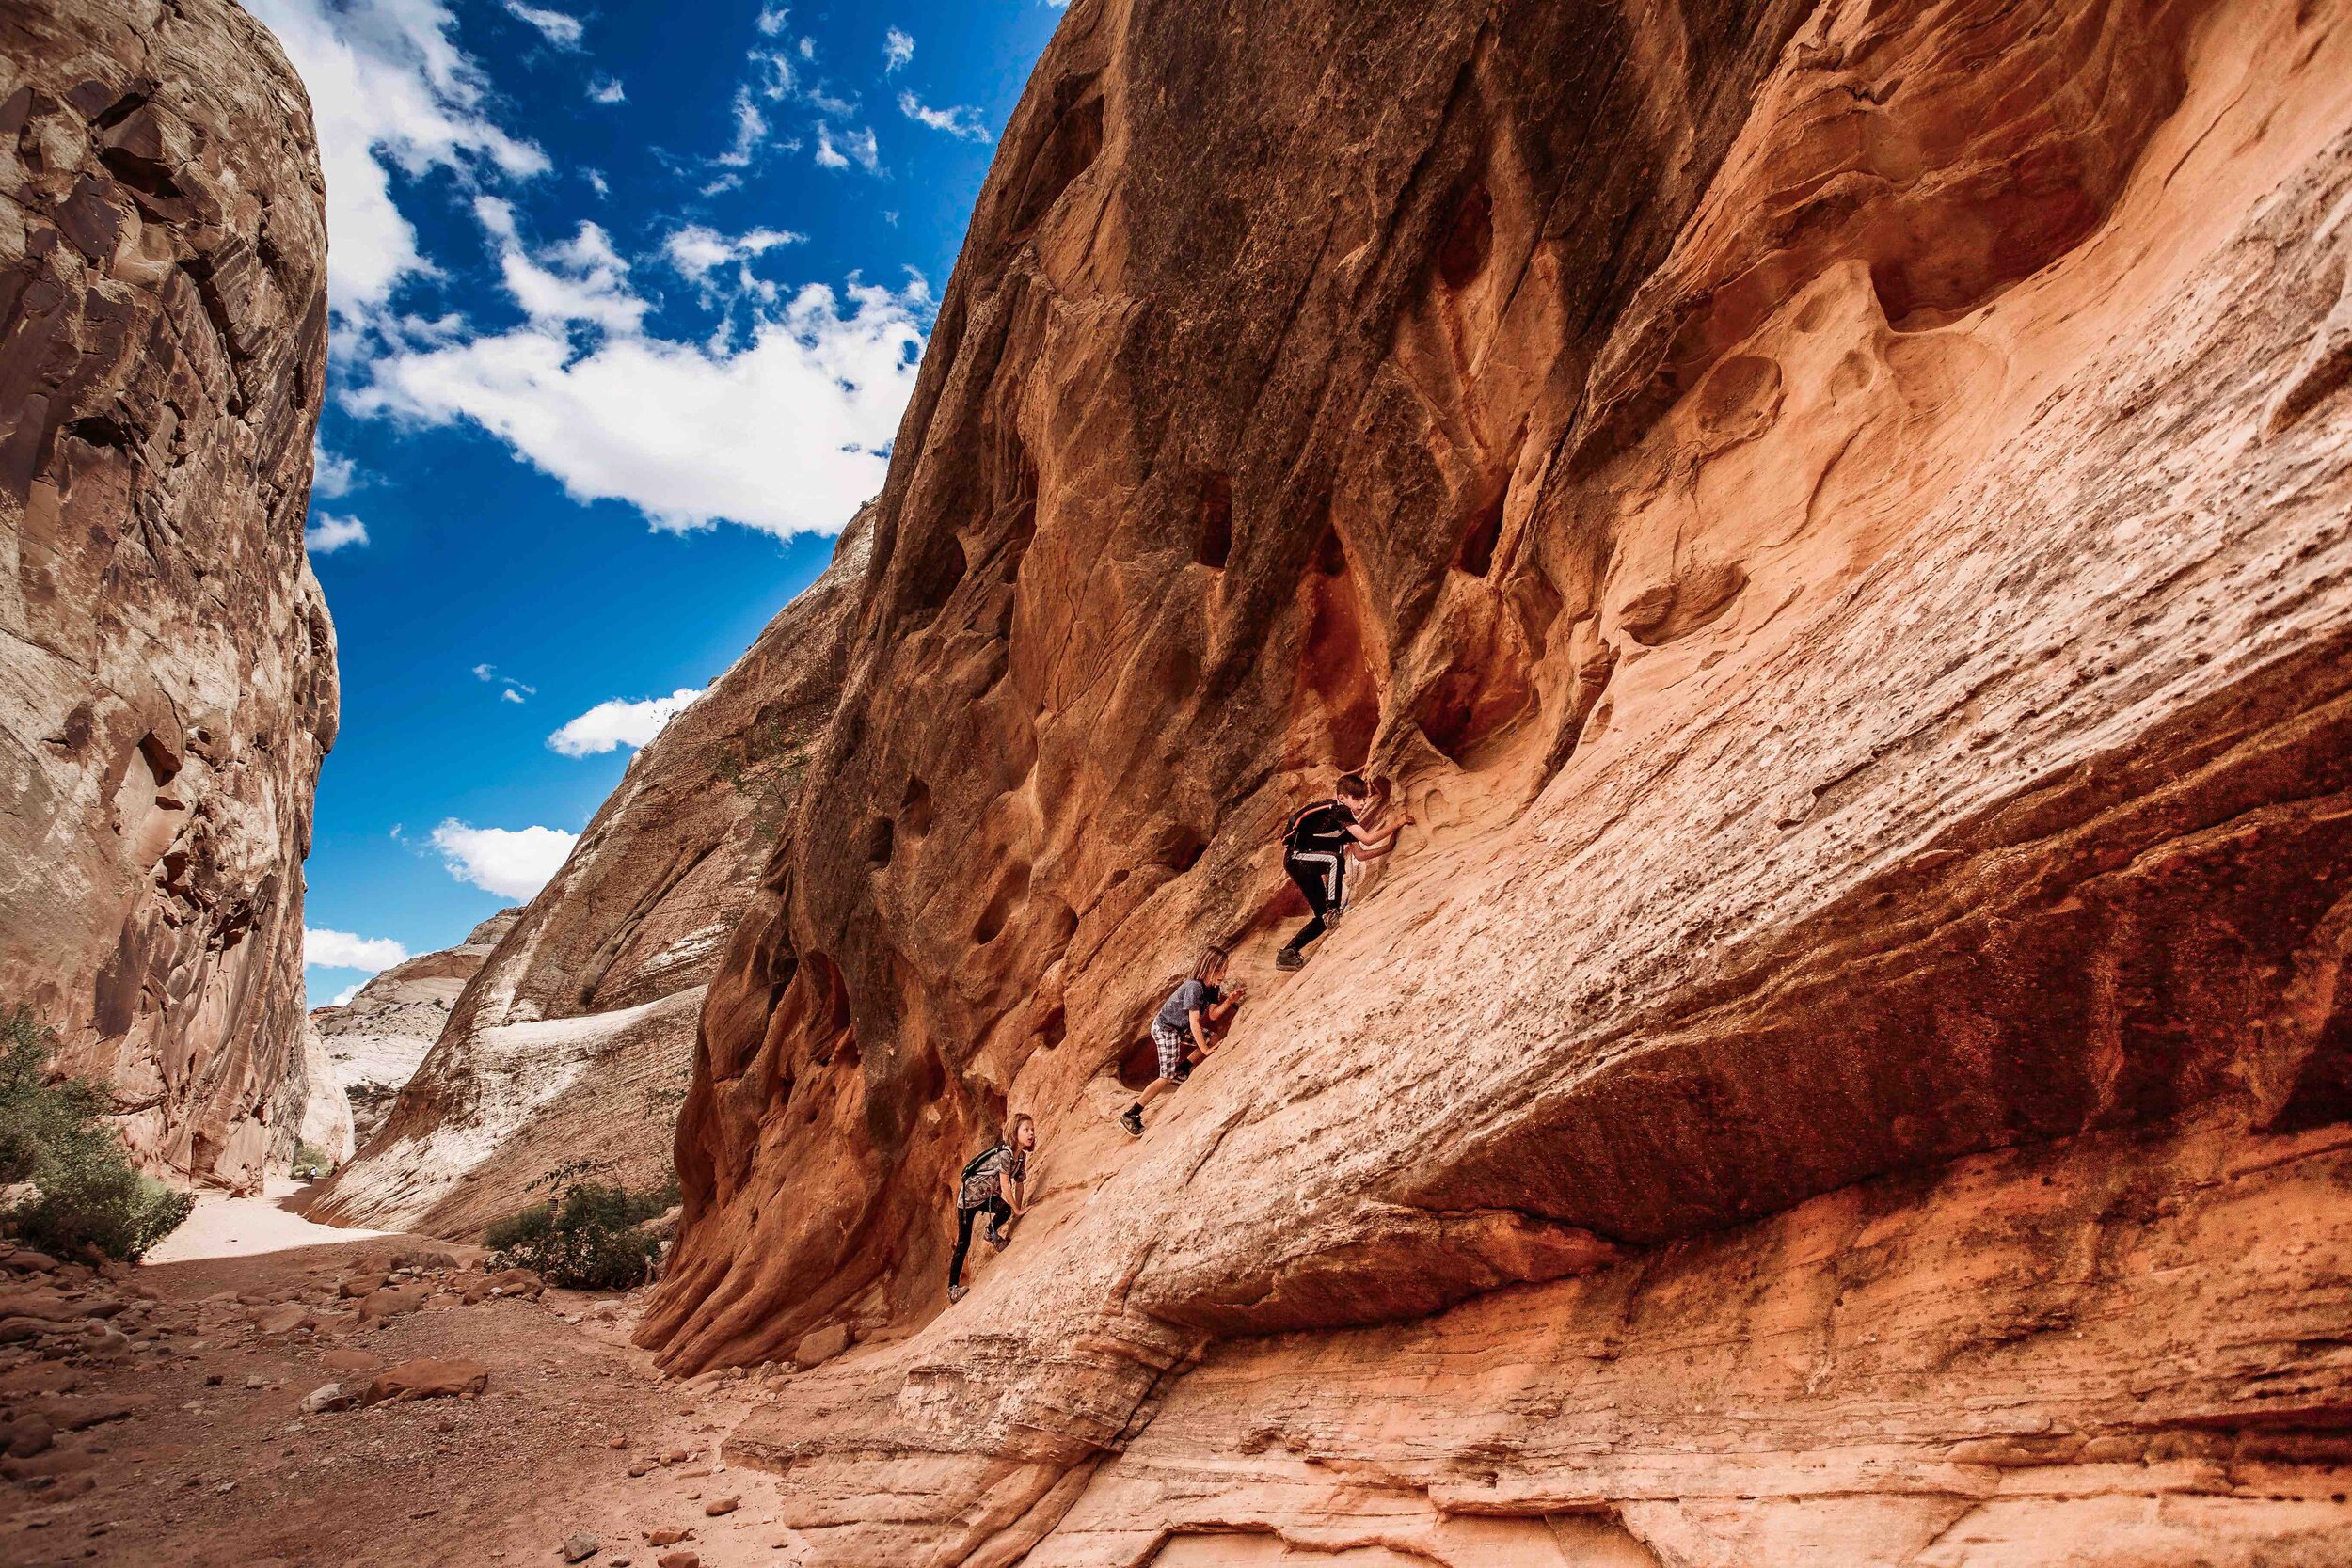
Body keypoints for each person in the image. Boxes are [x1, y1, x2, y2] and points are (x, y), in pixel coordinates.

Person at [1276, 772, 1410, 971]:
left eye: (1364, 798)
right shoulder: (1340, 811)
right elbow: (1367, 838)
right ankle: (1334, 910)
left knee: (1321, 918)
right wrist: (1398, 823)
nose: (1362, 803)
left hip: (1304, 864)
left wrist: (1389, 847)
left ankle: (1288, 952)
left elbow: (1361, 854)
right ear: (1342, 798)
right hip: (1297, 857)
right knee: (1334, 860)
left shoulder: (1345, 826)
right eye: (1357, 798)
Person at [1120, 946, 1246, 1136]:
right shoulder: (1194, 987)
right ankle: (1131, 1114)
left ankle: (1184, 1070)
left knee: (1214, 1038)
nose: (1223, 974)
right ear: (1208, 967)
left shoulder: (1212, 988)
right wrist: (1204, 1051)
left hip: (1179, 1028)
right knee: (1166, 1076)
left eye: (1225, 970)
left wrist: (1228, 1002)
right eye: (1220, 969)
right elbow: (1194, 1022)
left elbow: (1212, 1016)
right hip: (1166, 1029)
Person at [946, 1113, 1034, 1304]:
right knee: (964, 1243)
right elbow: (1005, 1185)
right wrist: (1018, 1211)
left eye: (1032, 1129)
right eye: (1026, 1129)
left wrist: (1017, 1210)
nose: (1031, 1133)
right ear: (1014, 1132)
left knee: (1005, 1210)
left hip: (987, 1198)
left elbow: (1019, 1184)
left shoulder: (1020, 1159)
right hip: (969, 1200)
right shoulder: (1004, 1155)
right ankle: (952, 1289)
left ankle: (990, 1233)